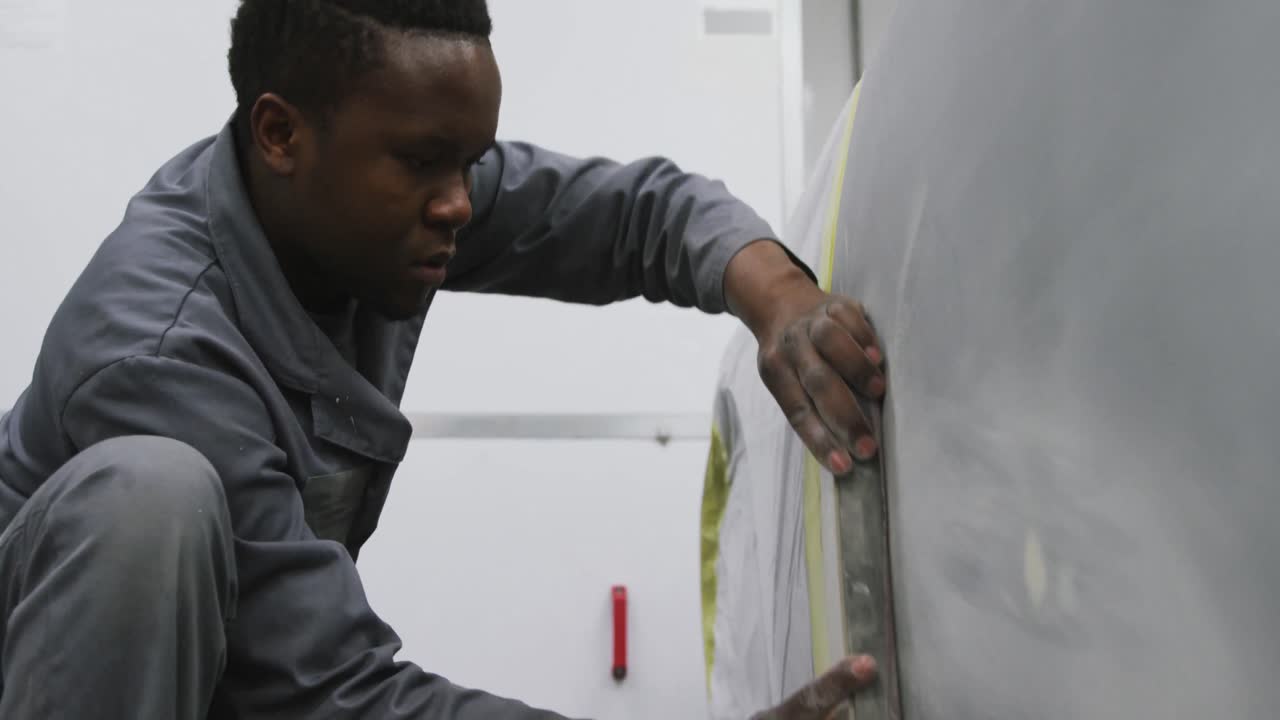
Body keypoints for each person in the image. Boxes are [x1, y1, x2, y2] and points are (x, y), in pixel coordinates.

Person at [0, 1, 886, 717]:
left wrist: (782, 299)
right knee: (152, 495)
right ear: (279, 135)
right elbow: (331, 691)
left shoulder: (376, 201)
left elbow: (634, 216)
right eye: (427, 162)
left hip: (231, 681)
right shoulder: (159, 354)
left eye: (471, 161)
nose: (461, 204)